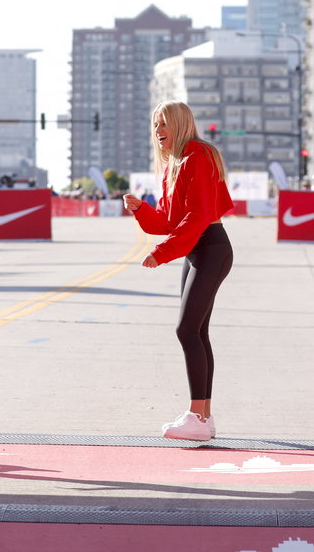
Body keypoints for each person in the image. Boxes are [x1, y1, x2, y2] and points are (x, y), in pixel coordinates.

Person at [123, 101, 233, 441]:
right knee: (197, 332)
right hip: (199, 249)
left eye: (163, 124)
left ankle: (197, 418)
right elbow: (169, 221)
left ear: (181, 124)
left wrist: (162, 253)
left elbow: (197, 217)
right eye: (155, 125)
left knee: (187, 330)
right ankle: (204, 418)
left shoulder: (197, 155)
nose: (158, 131)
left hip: (211, 247)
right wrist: (142, 210)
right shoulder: (176, 164)